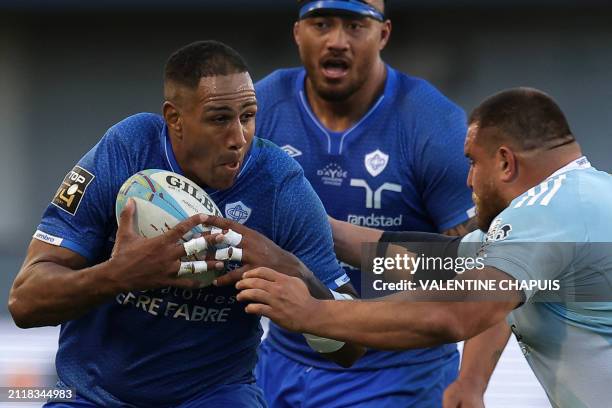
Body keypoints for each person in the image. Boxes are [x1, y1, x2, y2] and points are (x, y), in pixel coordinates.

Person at [7, 40, 362, 408]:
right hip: (92, 396)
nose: (238, 138)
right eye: (220, 119)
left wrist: (292, 270)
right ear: (175, 119)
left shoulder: (279, 186)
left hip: (214, 395)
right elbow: (25, 302)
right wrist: (119, 275)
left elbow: (351, 347)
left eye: (248, 115)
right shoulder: (126, 151)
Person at [237, 87, 612, 408]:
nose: (468, 179)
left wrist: (313, 314)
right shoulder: (576, 201)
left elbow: (454, 314)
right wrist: (299, 217)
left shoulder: (549, 210)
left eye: (472, 162)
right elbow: (431, 261)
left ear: (504, 162)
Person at [254, 0, 509, 406]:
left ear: (383, 34)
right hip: (282, 361)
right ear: (298, 32)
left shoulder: (432, 123)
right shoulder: (261, 107)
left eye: (355, 26)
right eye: (322, 24)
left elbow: (490, 269)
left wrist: (472, 383)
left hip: (396, 375)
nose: (337, 41)